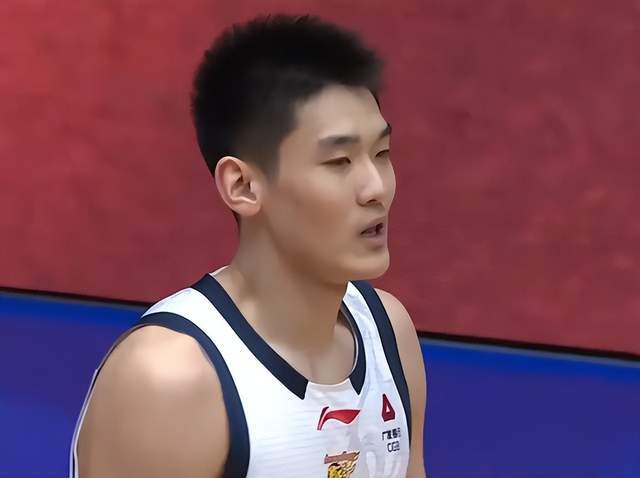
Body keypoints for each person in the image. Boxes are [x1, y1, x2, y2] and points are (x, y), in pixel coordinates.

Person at [70, 13, 427, 478]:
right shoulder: (169, 380)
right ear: (242, 185)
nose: (376, 187)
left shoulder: (388, 332)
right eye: (339, 161)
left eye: (381, 154)